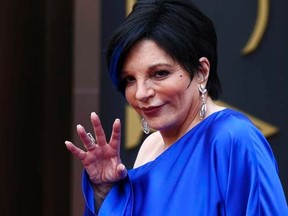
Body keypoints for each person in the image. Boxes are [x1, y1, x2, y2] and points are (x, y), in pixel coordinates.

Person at [65, 0, 288, 215]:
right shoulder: (150, 148)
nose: (141, 93)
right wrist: (104, 192)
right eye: (130, 80)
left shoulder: (234, 138)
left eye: (159, 73)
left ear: (201, 71)